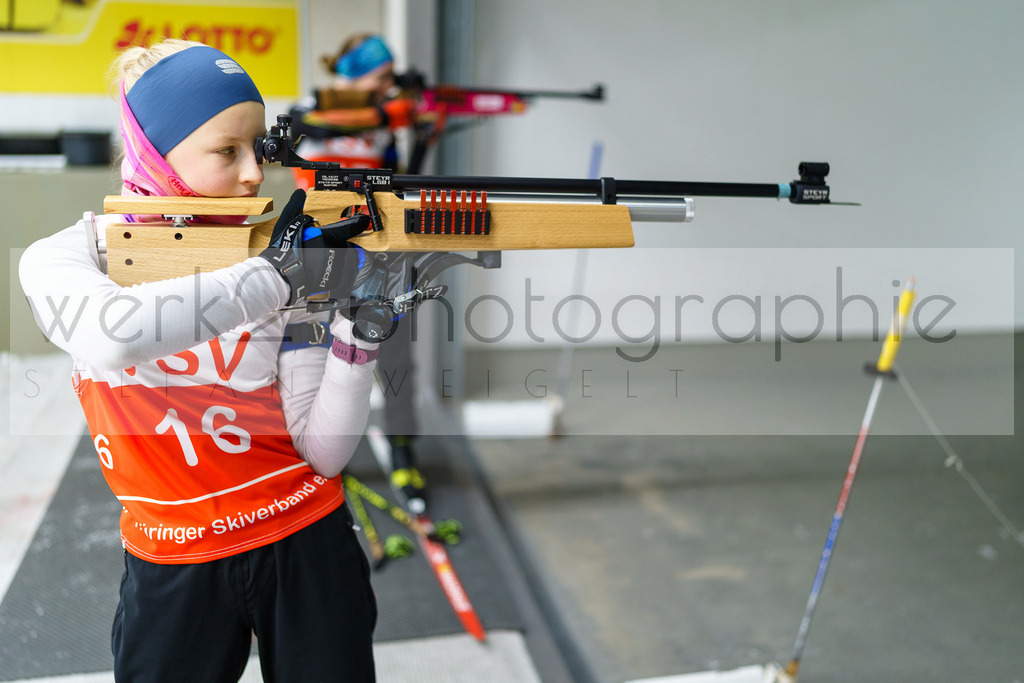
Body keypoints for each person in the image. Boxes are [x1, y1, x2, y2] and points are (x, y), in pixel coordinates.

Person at [19, 39, 379, 682]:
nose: (253, 174)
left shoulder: (272, 249)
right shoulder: (63, 259)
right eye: (226, 150)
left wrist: (360, 335)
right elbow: (112, 336)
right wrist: (275, 278)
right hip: (171, 555)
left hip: (304, 534)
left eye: (259, 149)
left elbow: (321, 453)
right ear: (155, 153)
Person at [288, 33, 428, 513]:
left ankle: (403, 450)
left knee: (396, 355)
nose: (389, 84)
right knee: (324, 352)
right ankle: (323, 456)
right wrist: (389, 115)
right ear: (352, 74)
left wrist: (422, 133)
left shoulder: (387, 120)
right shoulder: (311, 109)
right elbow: (305, 130)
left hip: (384, 249)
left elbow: (401, 182)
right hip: (324, 248)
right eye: (381, 75)